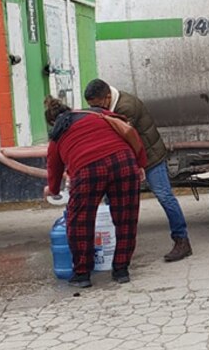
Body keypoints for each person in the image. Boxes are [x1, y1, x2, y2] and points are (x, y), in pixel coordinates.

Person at [44, 96, 146, 288]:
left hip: (88, 169)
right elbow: (128, 130)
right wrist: (140, 163)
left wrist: (53, 189)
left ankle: (82, 274)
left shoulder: (57, 134)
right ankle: (121, 270)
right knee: (126, 218)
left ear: (52, 122)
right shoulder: (96, 113)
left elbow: (54, 168)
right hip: (123, 161)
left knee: (79, 221)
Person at [85, 79, 192, 262]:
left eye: (97, 106)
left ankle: (182, 240)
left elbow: (121, 137)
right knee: (111, 199)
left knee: (164, 195)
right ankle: (118, 246)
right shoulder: (109, 105)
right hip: (132, 156)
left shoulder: (125, 108)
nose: (96, 110)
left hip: (150, 157)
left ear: (107, 97)